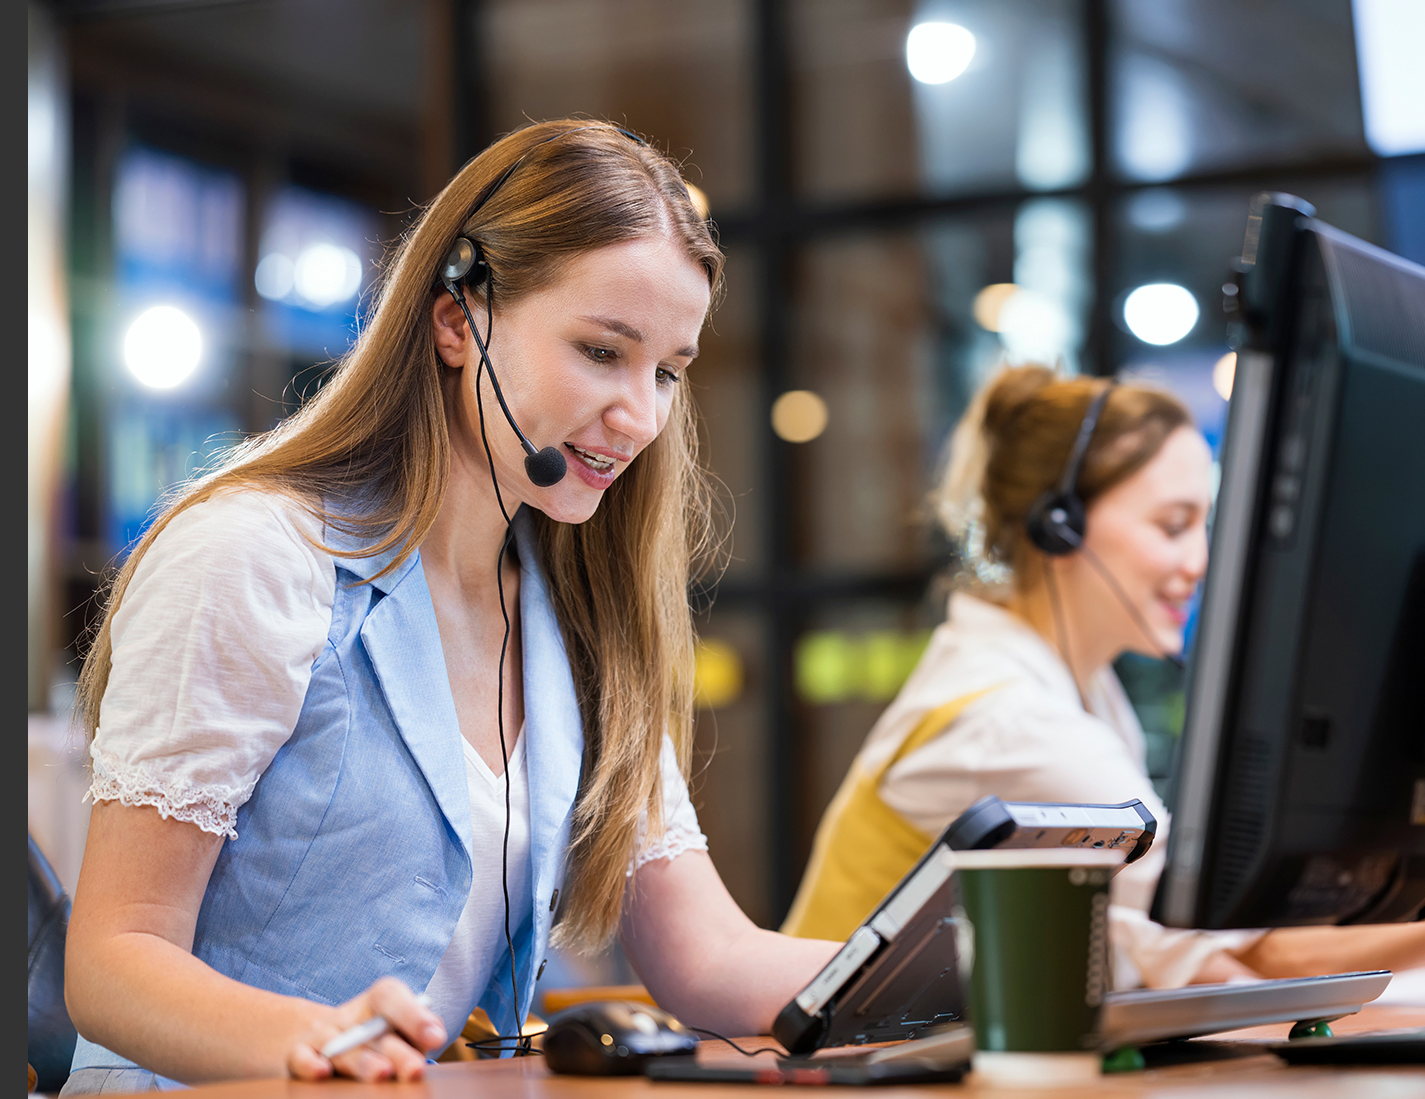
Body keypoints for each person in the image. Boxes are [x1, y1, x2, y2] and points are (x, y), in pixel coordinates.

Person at [62, 120, 841, 1094]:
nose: (640, 415)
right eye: (602, 350)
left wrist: (969, 960)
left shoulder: (577, 608)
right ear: (454, 322)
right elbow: (111, 960)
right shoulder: (254, 556)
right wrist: (315, 1037)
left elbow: (706, 958)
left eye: (668, 371)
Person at [782, 363, 1425, 990]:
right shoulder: (1009, 720)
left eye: (1202, 526)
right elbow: (1251, 951)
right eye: (1173, 525)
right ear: (1057, 528)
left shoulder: (1070, 688)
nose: (1199, 561)